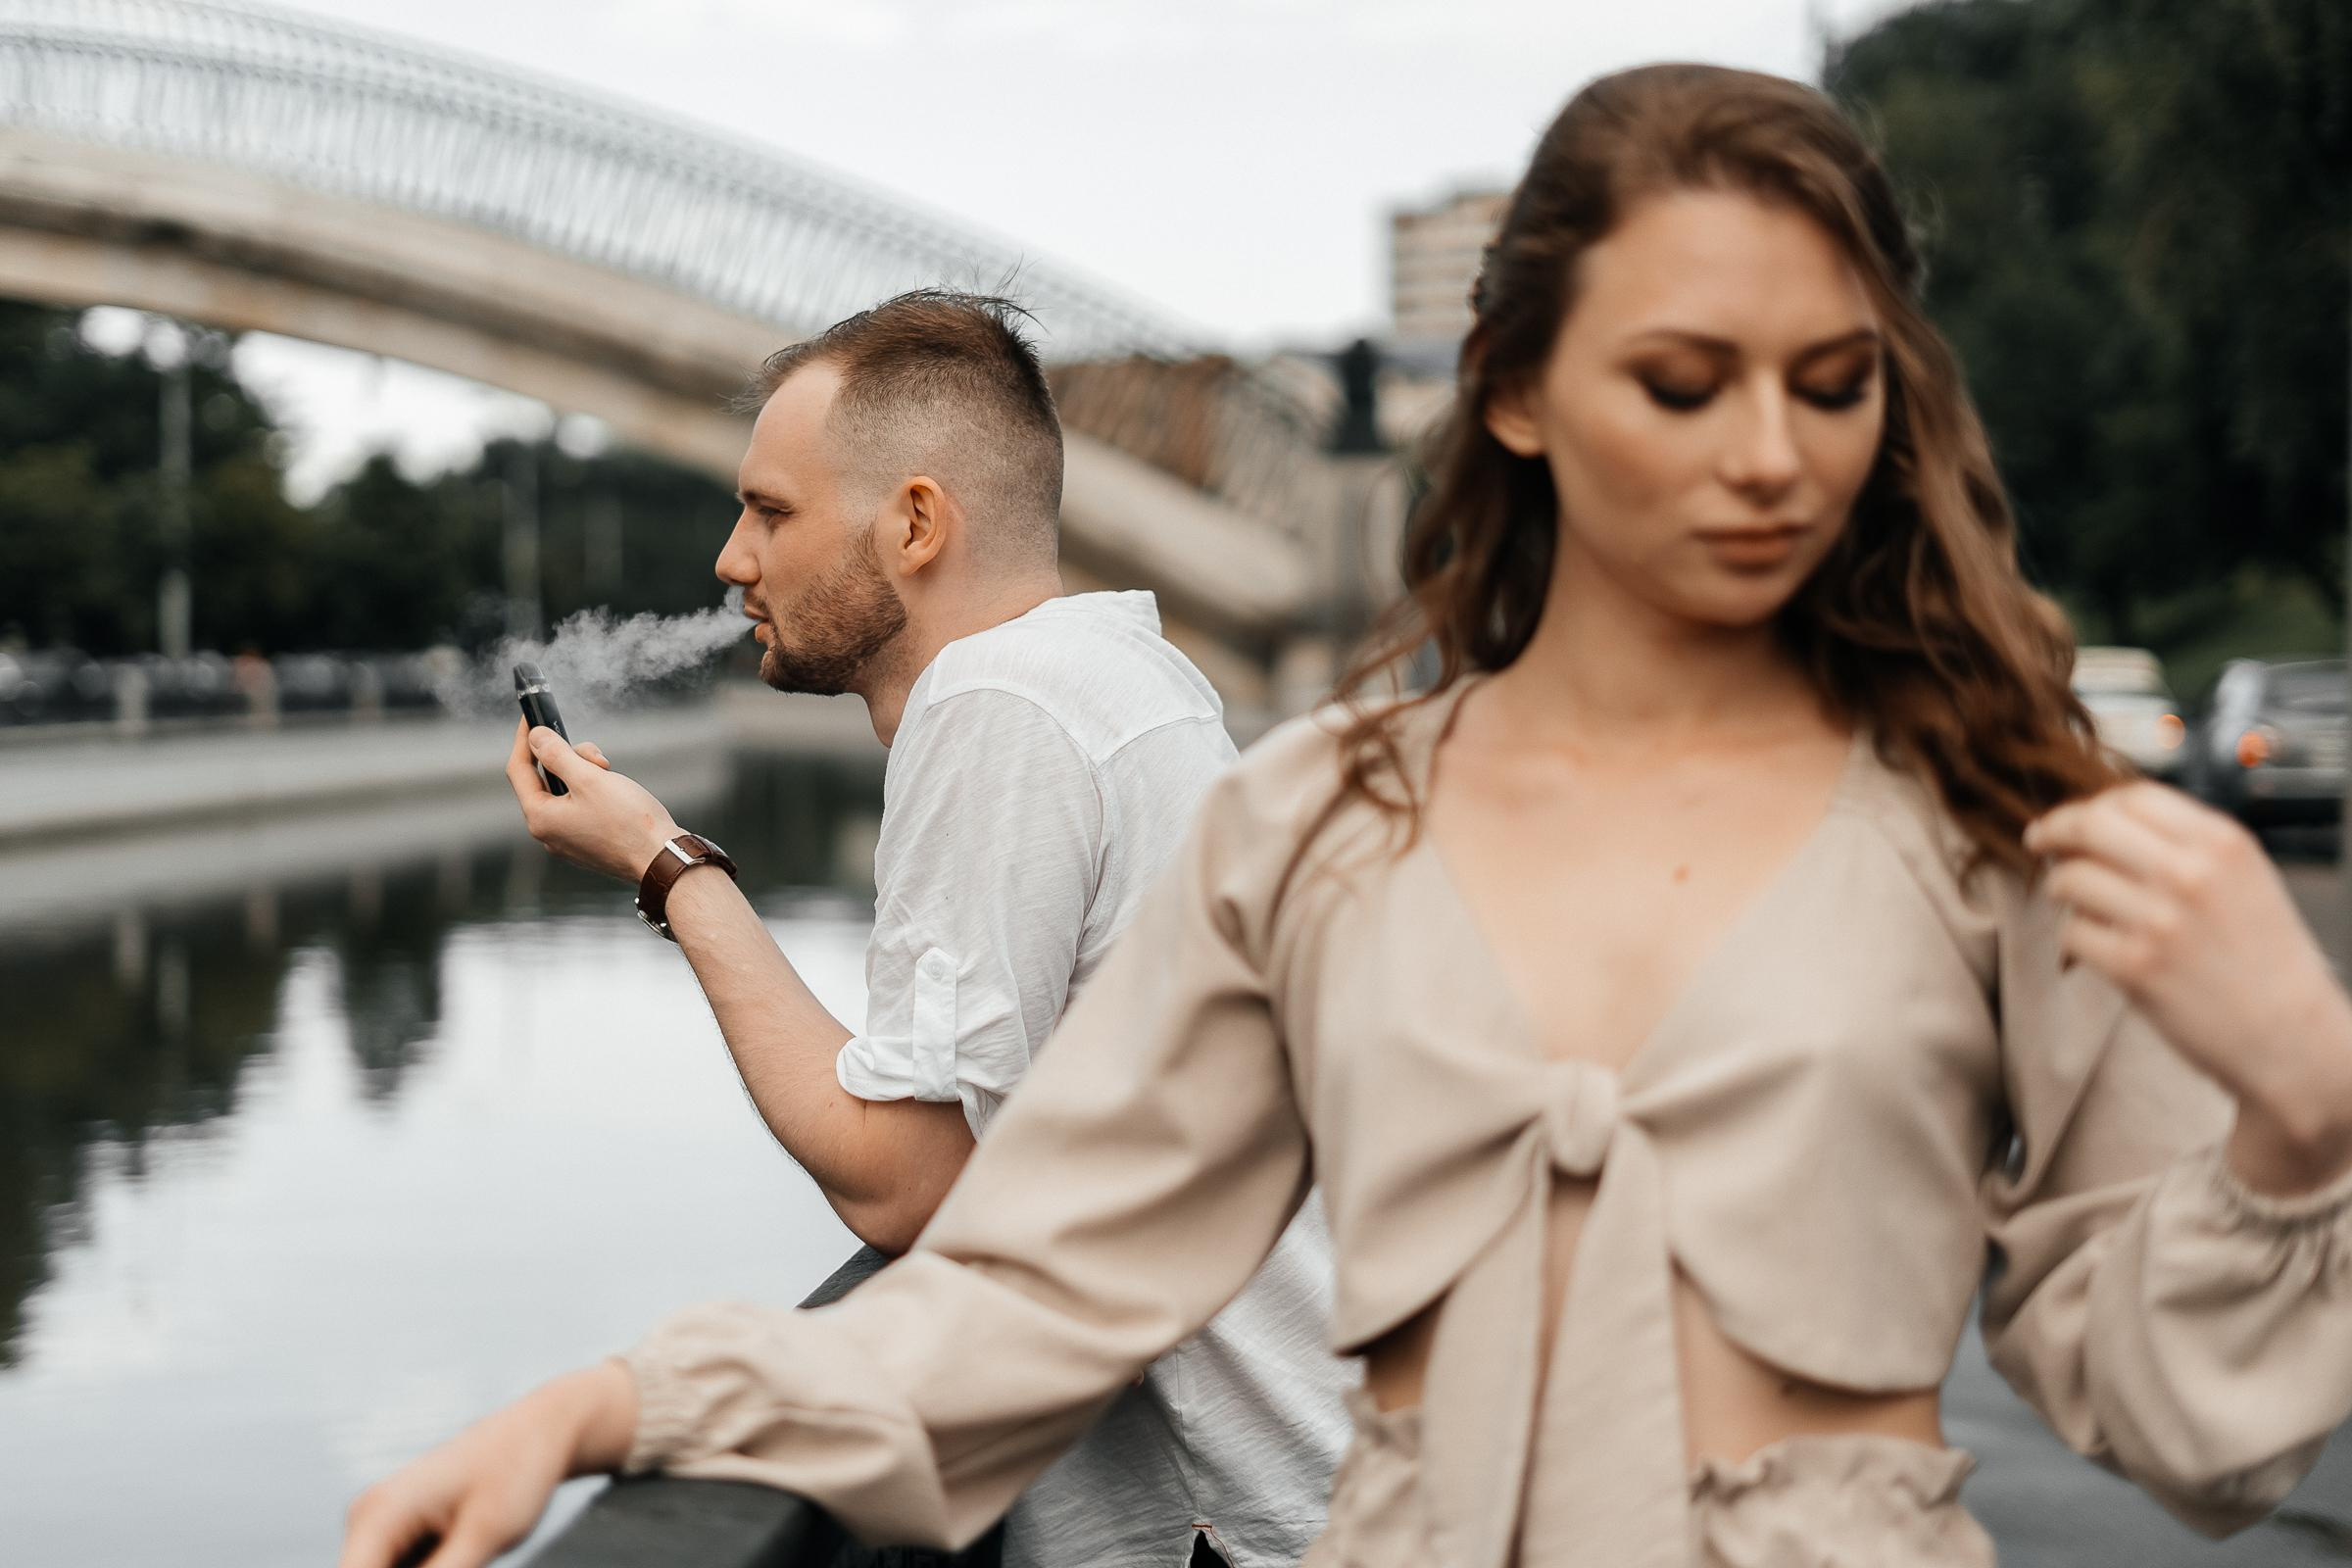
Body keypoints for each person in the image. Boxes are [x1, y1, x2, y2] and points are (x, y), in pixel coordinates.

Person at [343, 68, 2352, 1568]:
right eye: (1681, 379)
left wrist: (2301, 1109)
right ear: (1514, 392)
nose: (1770, 456)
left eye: (1832, 384)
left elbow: (2184, 1426)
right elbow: (1040, 1282)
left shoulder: (1995, 818)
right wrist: (615, 1402)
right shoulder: (1316, 823)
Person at [486, 289, 1348, 1568]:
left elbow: (906, 1182)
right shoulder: (1121, 677)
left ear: (916, 521)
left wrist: (667, 866)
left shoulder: (997, 701)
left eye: (770, 511)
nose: (731, 560)